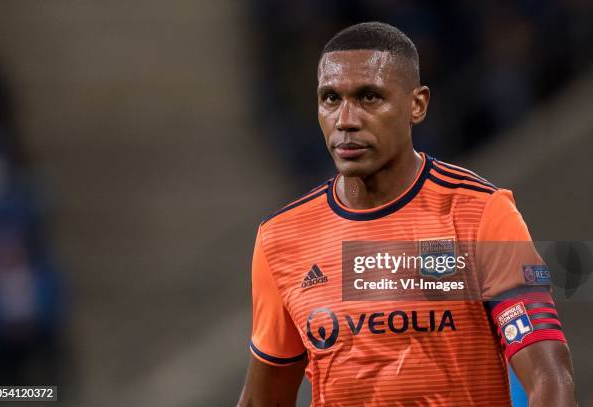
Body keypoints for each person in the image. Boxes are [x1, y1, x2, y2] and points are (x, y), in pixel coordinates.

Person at [238, 22, 576, 406]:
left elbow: (551, 381)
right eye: (330, 99)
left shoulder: (481, 214)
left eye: (369, 97)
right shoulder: (281, 238)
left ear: (417, 105)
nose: (345, 120)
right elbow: (262, 400)